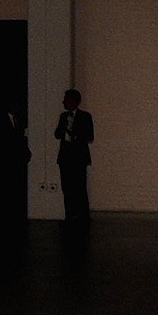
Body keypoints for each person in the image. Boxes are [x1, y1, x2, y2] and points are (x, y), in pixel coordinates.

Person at [53, 88, 94, 233]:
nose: (64, 102)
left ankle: (82, 216)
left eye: (66, 99)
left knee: (80, 187)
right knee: (67, 187)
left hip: (78, 158)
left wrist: (75, 133)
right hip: (65, 158)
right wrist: (64, 129)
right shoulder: (63, 117)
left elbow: (89, 136)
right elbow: (57, 134)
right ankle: (69, 216)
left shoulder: (85, 116)